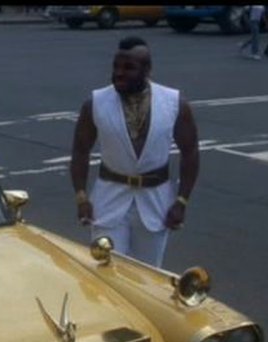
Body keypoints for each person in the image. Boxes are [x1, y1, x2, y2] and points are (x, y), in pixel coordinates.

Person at [70, 36, 200, 268]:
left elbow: (190, 152)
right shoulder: (95, 103)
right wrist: (81, 197)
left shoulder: (174, 103)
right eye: (116, 66)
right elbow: (80, 150)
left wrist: (181, 201)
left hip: (156, 206)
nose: (119, 73)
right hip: (108, 203)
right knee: (107, 271)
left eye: (128, 67)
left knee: (147, 276)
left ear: (147, 70)